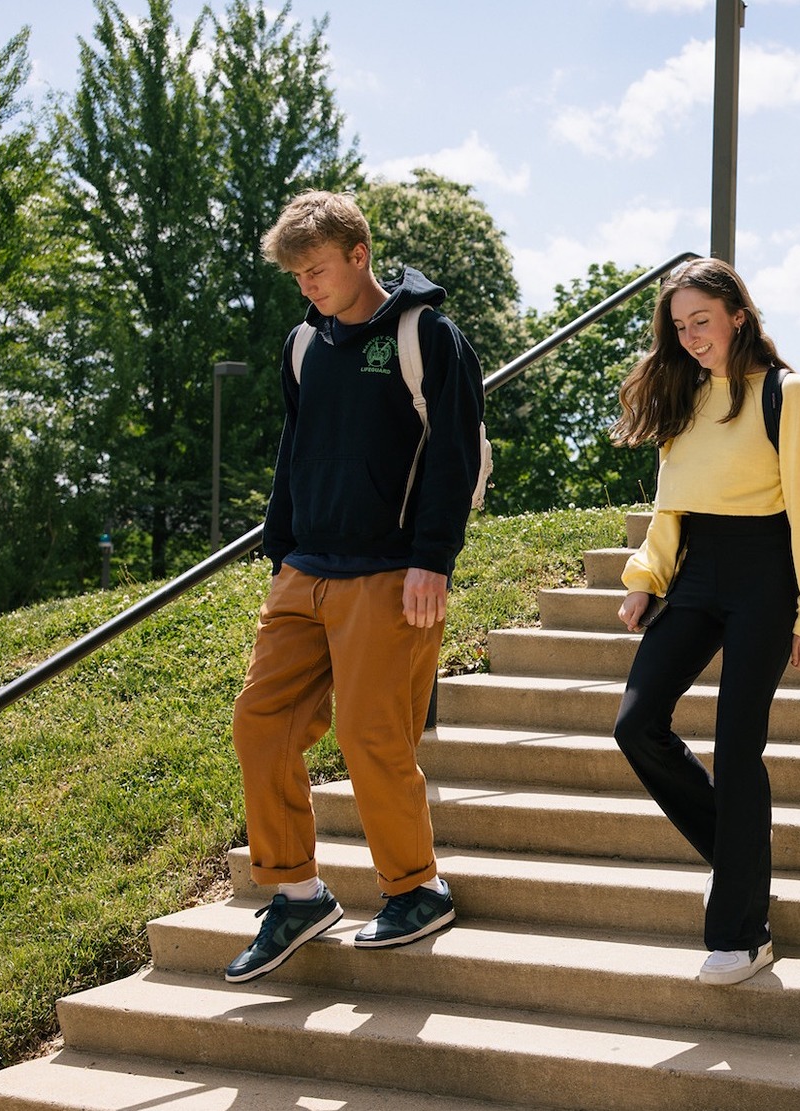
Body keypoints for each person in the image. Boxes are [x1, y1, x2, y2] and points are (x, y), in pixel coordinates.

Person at [223, 190, 485, 984]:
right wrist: (283, 553)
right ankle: (296, 893)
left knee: (373, 735)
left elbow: (455, 454)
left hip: (391, 571)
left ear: (359, 255)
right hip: (307, 569)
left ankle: (415, 886)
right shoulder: (305, 342)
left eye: (318, 269)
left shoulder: (425, 334)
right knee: (259, 723)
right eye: (297, 275)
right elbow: (293, 453)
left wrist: (433, 559)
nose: (307, 284)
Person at [610, 258, 800, 987]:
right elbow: (669, 502)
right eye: (678, 328)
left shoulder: (787, 394)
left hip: (766, 573)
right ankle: (745, 863)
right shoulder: (683, 395)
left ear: (737, 313)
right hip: (697, 570)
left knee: (738, 745)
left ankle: (742, 932)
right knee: (635, 722)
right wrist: (646, 579)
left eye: (701, 321)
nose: (690, 338)